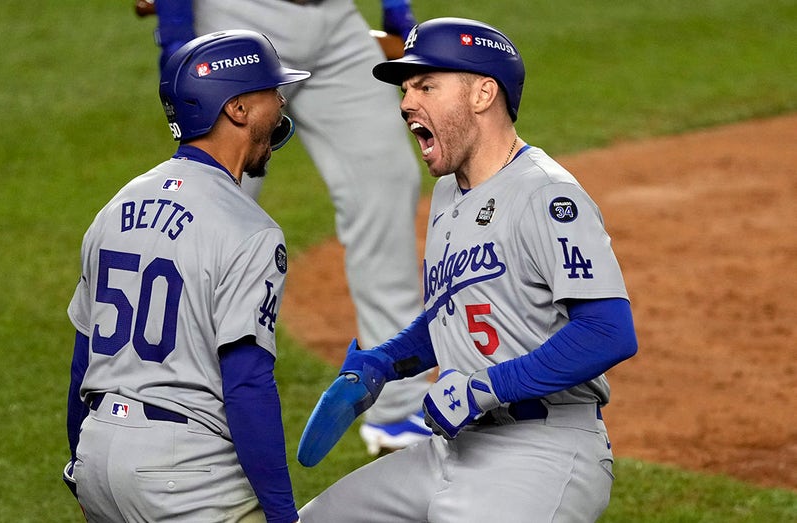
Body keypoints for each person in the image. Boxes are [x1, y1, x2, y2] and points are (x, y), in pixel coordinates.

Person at [297, 17, 639, 521]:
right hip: (453, 448)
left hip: (541, 451)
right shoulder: (448, 194)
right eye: (407, 88)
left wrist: (485, 388)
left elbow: (609, 333)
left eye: (426, 86)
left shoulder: (545, 193)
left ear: (483, 93)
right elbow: (458, 309)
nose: (406, 102)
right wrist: (384, 363)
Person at [145, 0, 434, 456]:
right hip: (239, 19)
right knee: (212, 202)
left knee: (386, 180)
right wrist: (177, 35)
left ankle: (396, 405)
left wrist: (396, 10)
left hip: (337, 24)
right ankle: (169, 401)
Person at [62, 30, 310, 523]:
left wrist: (84, 458)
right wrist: (283, 514)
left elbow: (81, 362)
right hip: (185, 477)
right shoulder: (251, 230)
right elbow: (247, 384)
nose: (281, 103)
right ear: (237, 109)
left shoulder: (115, 206)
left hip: (97, 455)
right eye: (270, 92)